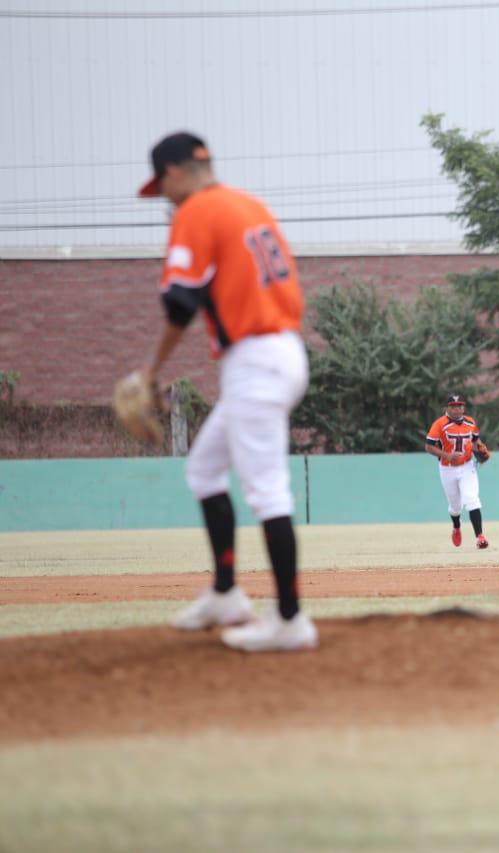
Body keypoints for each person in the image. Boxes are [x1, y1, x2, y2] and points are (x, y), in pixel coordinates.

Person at [134, 131, 316, 652]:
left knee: (266, 491)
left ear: (172, 173)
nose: (164, 199)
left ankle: (290, 619)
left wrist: (152, 369)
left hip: (255, 362)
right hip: (281, 349)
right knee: (205, 468)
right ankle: (225, 594)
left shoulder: (196, 210)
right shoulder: (249, 205)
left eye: (162, 187)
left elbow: (180, 304)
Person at [424, 394, 491, 549]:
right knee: (455, 507)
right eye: (453, 406)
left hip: (467, 466)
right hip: (447, 469)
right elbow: (428, 446)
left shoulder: (470, 422)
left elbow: (474, 441)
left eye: (460, 406)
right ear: (447, 408)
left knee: (472, 499)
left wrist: (481, 448)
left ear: (463, 407)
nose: (457, 409)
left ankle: (480, 537)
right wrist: (447, 455)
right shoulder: (439, 424)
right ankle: (456, 526)